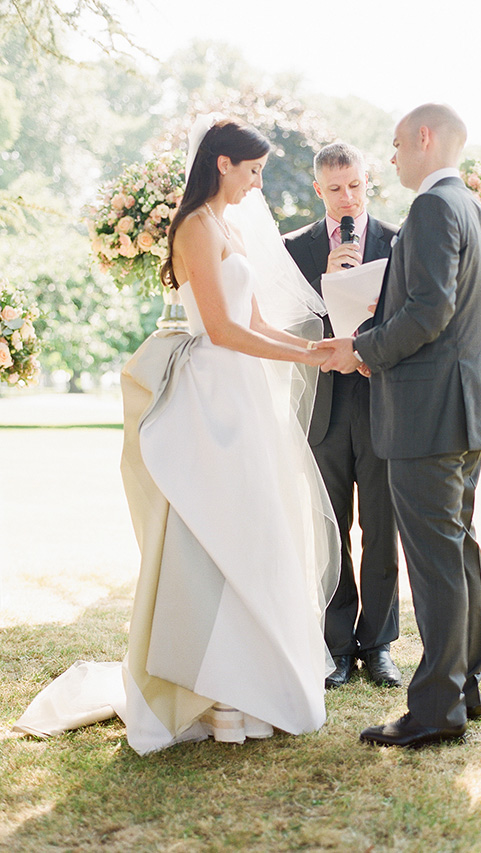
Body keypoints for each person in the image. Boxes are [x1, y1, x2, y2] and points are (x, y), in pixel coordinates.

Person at [13, 117, 340, 755]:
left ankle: (253, 685)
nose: (258, 184)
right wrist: (306, 359)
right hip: (213, 395)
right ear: (222, 164)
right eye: (253, 171)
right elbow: (220, 331)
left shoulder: (230, 226)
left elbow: (255, 319)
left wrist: (314, 348)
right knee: (217, 530)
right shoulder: (193, 226)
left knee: (258, 526)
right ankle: (215, 689)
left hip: (243, 394)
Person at [318, 104, 481, 748]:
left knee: (436, 565)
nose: (392, 158)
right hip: (464, 411)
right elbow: (442, 315)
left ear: (425, 139)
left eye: (397, 145)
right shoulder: (475, 210)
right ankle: (463, 688)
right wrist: (371, 336)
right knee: (459, 554)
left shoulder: (430, 209)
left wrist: (362, 350)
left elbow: (429, 310)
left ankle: (434, 710)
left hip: (428, 416)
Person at [283, 143, 401, 689]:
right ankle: (335, 646)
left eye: (353, 185)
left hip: (382, 403)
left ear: (368, 181)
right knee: (330, 531)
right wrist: (323, 284)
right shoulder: (293, 249)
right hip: (323, 409)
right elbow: (283, 326)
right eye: (334, 189)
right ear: (318, 191)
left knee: (380, 529)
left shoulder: (398, 242)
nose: (346, 198)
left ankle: (378, 645)